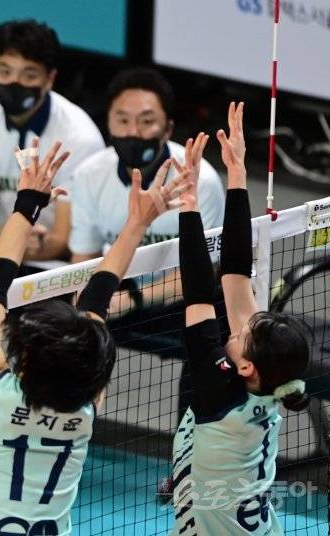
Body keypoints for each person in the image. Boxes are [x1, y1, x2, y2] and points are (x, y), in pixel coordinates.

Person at [0, 137, 192, 534]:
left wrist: (29, 202)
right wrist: (138, 223)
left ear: (25, 359)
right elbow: (93, 300)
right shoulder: (85, 408)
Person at [172, 103, 310, 535]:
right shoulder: (266, 383)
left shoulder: (219, 393)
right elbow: (235, 273)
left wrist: (189, 204)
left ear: (246, 365)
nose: (239, 322)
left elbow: (199, 291)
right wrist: (236, 173)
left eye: (243, 332)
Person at [68, 67, 225, 426]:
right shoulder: (90, 174)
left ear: (167, 128)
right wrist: (93, 303)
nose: (134, 132)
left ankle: (193, 437)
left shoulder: (200, 180)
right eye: (123, 120)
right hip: (114, 290)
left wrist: (136, 298)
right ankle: (69, 421)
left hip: (180, 298)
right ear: (108, 123)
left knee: (208, 338)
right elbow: (82, 261)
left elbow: (205, 273)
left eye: (146, 121)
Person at [0, 19, 104, 266]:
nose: (14, 83)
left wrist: (31, 244)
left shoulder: (80, 139)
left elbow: (65, 239)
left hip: (45, 263)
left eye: (29, 75)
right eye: (5, 71)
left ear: (50, 78)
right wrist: (5, 239)